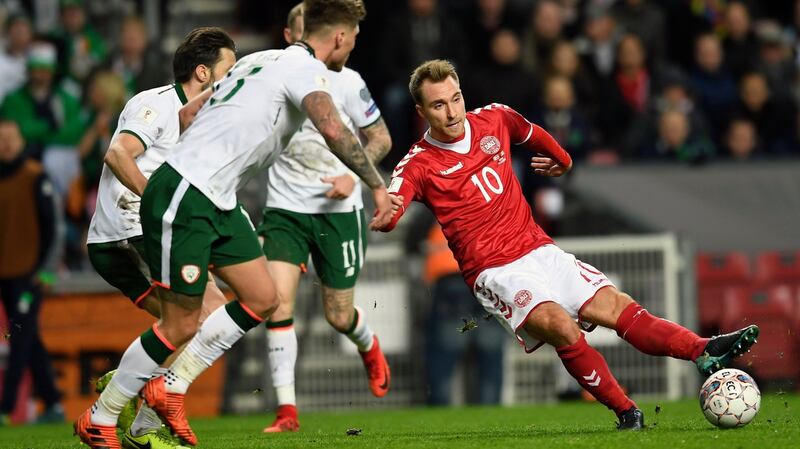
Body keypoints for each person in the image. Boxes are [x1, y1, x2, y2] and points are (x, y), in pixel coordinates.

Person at [74, 1, 396, 447]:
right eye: (354, 36)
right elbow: (334, 129)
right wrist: (376, 186)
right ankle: (102, 415)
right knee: (182, 324)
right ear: (340, 36)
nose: (354, 45)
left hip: (218, 199)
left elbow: (189, 115)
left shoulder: (259, 59)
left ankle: (169, 388)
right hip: (188, 195)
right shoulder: (308, 71)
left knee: (263, 298)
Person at [378, 59, 760, 430]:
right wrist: (387, 216)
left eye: (455, 98)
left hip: (539, 249)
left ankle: (702, 349)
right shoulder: (417, 164)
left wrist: (562, 159)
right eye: (438, 104)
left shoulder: (494, 117)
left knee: (617, 306)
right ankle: (627, 411)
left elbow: (531, 132)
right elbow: (394, 205)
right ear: (421, 110)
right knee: (561, 326)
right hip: (496, 272)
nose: (451, 112)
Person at [83, 27, 237, 449]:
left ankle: (131, 390)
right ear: (203, 73)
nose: (236, 75)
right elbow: (117, 154)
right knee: (209, 316)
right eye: (230, 67)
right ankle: (142, 411)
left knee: (192, 325)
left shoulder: (207, 122)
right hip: (130, 232)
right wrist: (160, 205)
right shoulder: (156, 104)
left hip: (145, 234)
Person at [259, 3, 392, 433]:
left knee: (338, 315)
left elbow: (381, 138)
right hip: (285, 206)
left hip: (337, 212)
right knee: (276, 302)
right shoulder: (276, 73)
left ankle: (368, 344)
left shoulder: (349, 83)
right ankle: (287, 411)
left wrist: (354, 177)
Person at [0, 120, 62, 425]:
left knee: (19, 338)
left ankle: (5, 407)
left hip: (31, 274)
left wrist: (47, 271)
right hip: (5, 273)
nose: (7, 145)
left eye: (11, 139)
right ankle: (52, 402)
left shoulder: (36, 176)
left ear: (21, 141)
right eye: (2, 140)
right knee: (28, 338)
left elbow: (55, 228)